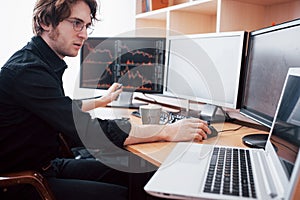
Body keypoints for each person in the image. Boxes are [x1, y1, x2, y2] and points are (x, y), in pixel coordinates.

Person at [0, 0, 211, 199]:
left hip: (47, 166)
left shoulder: (40, 63)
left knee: (138, 170)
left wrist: (102, 99)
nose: (83, 35)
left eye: (86, 26)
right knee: (123, 194)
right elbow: (87, 130)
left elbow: (61, 109)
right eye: (76, 24)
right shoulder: (28, 72)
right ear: (46, 22)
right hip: (22, 183)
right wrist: (167, 131)